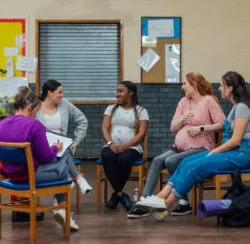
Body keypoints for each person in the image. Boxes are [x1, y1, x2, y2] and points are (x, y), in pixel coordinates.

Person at [136, 71, 250, 221]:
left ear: (230, 88)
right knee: (185, 162)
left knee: (193, 166)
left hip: (241, 153)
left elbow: (235, 140)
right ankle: (159, 199)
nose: (219, 88)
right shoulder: (235, 107)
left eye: (222, 85)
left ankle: (164, 204)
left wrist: (214, 151)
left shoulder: (242, 107)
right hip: (231, 151)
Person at [0, 87, 79, 230]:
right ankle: (62, 210)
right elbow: (46, 157)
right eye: (37, 111)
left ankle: (63, 211)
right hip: (30, 176)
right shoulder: (35, 125)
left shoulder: (2, 124)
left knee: (62, 166)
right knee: (64, 167)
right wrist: (56, 148)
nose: (36, 115)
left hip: (11, 175)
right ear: (30, 107)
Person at [37, 79, 92, 194]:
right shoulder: (36, 107)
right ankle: (77, 178)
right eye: (60, 92)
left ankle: (61, 203)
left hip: (62, 146)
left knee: (63, 148)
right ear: (49, 93)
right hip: (42, 148)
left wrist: (77, 141)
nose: (62, 95)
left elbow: (82, 120)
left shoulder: (65, 104)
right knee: (61, 152)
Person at [101, 81, 149, 211]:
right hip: (111, 145)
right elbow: (105, 129)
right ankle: (120, 194)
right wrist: (110, 144)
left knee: (123, 158)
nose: (118, 94)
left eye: (121, 91)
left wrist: (126, 146)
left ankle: (116, 195)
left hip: (132, 148)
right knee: (107, 155)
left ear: (131, 93)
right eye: (117, 91)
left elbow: (141, 134)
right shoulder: (111, 108)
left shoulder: (141, 111)